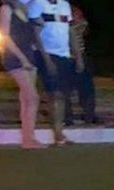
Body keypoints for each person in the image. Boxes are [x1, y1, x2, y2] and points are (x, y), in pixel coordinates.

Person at [27, 0, 77, 145]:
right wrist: (46, 59)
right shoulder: (37, 4)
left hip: (64, 55)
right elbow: (35, 34)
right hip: (46, 54)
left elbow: (70, 30)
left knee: (62, 95)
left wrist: (77, 54)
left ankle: (60, 132)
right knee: (54, 94)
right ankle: (57, 134)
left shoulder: (64, 5)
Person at [0, 0, 43, 148]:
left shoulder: (26, 10)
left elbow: (30, 36)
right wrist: (22, 58)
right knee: (32, 97)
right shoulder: (6, 9)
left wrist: (39, 25)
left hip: (28, 55)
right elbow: (5, 36)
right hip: (15, 57)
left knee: (26, 99)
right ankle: (28, 138)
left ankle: (28, 138)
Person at [64, 4, 97, 125]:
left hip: (76, 55)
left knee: (85, 87)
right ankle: (67, 116)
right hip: (65, 56)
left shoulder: (71, 11)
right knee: (64, 89)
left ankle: (88, 114)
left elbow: (81, 27)